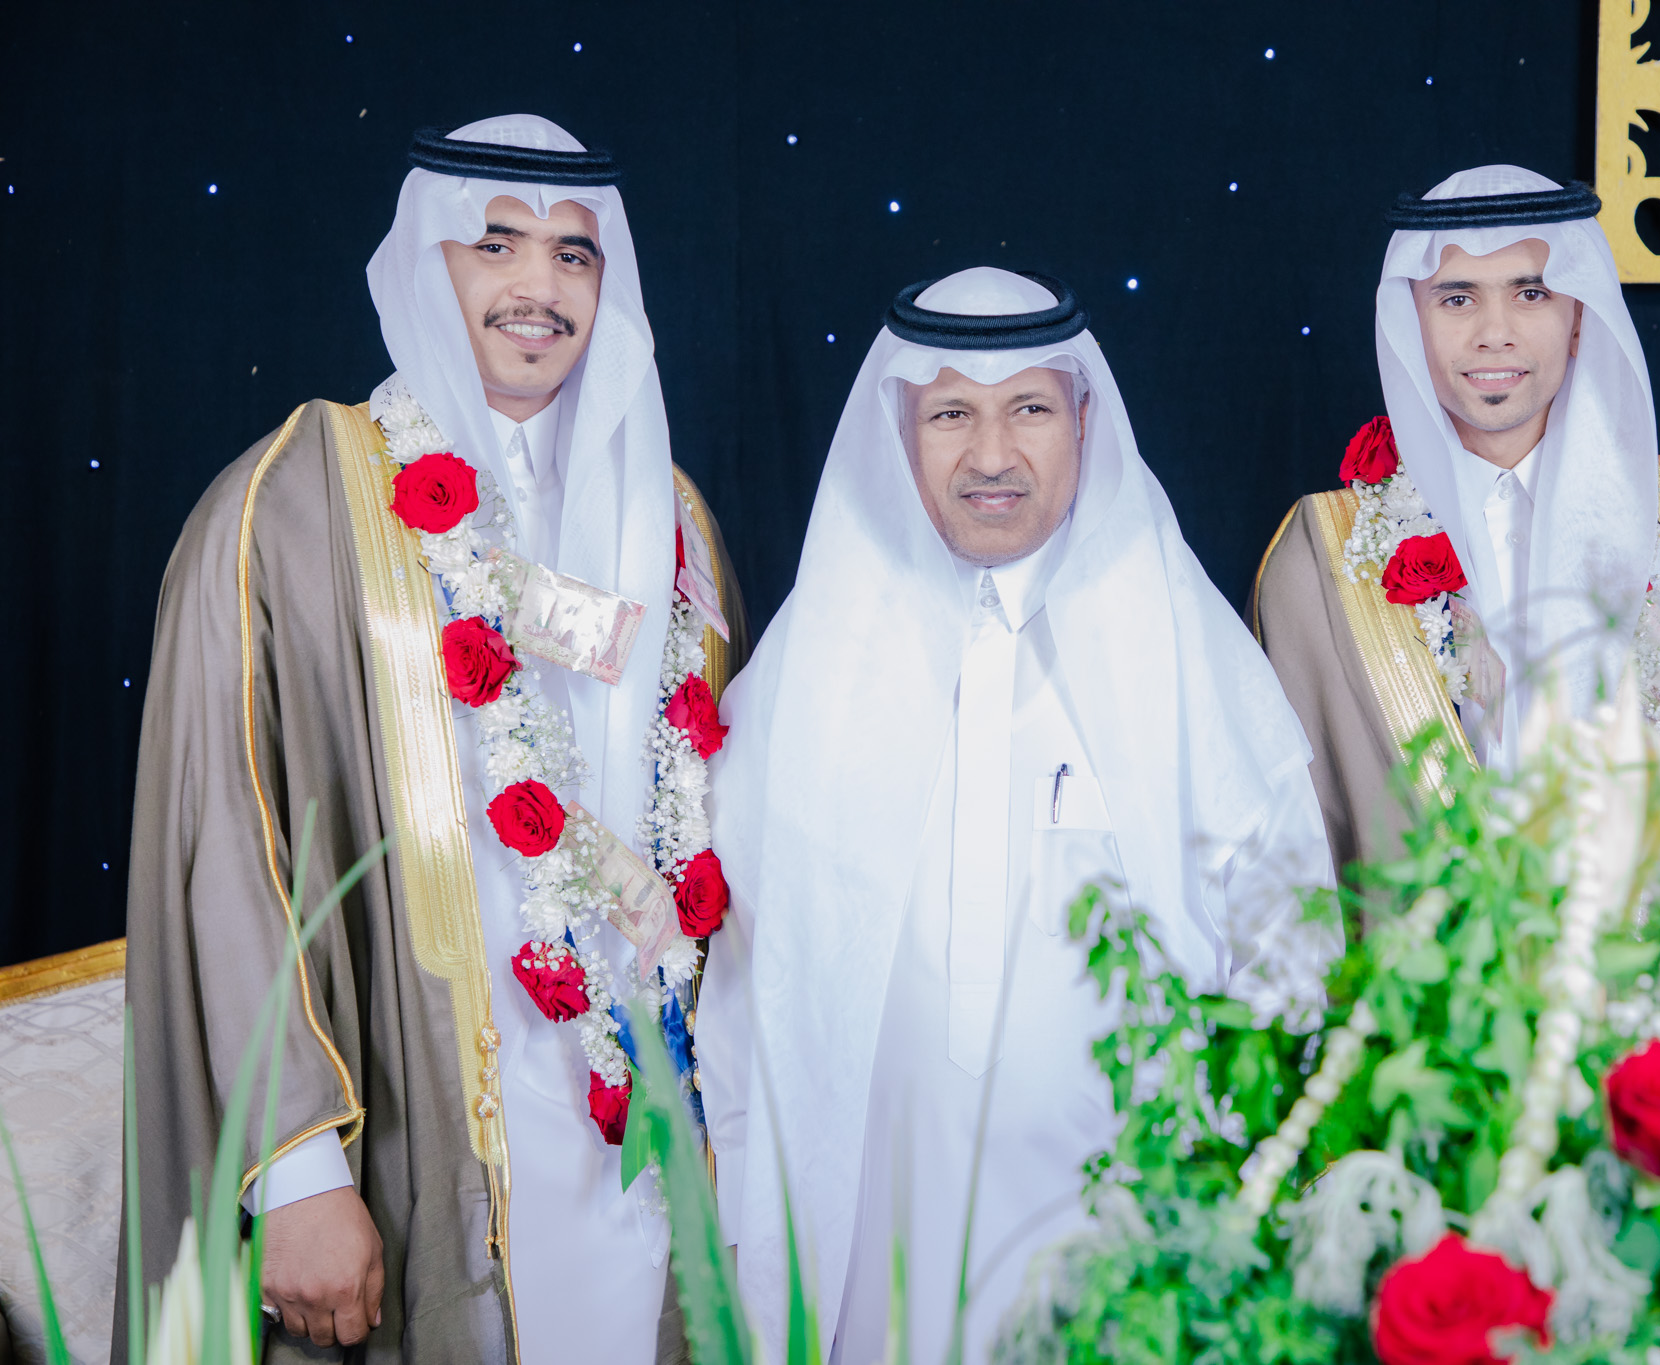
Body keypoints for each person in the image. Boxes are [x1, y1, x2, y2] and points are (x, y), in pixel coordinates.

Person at [122, 115, 746, 1362]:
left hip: (642, 1129)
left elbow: (719, 826)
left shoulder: (670, 518)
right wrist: (296, 1170)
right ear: (425, 262)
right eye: (495, 244)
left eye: (574, 254)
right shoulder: (294, 498)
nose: (538, 286)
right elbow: (225, 846)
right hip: (416, 1108)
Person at [696, 267, 1337, 1363]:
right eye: (951, 414)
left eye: (1028, 408)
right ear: (900, 432)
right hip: (865, 1250)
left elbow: (1291, 947)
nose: (990, 454)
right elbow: (746, 979)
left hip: (1132, 1241)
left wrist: (1244, 1200)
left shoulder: (1183, 652)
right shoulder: (810, 668)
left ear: (1082, 423)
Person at [1251, 165, 1660, 933]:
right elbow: (1290, 860)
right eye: (1457, 299)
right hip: (1447, 995)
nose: (1495, 332)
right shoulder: (1324, 562)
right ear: (1409, 321)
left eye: (1532, 293)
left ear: (1580, 316)